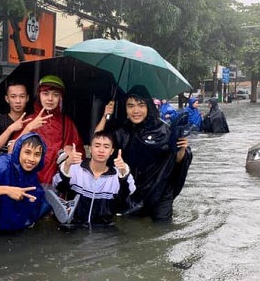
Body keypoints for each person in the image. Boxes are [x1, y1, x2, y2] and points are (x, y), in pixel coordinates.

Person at [95, 85, 192, 222]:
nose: (136, 110)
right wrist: (105, 116)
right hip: (133, 192)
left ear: (148, 107)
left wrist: (181, 149)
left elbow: (177, 162)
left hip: (160, 192)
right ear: (125, 109)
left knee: (162, 230)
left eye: (141, 105)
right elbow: (97, 142)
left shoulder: (164, 130)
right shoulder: (122, 132)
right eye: (130, 106)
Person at [49, 130, 136, 227]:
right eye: (97, 146)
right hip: (74, 226)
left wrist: (124, 173)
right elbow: (58, 186)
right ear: (90, 148)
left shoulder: (117, 175)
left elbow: (124, 202)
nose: (101, 150)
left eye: (106, 147)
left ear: (111, 151)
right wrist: (67, 164)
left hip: (104, 229)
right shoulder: (75, 169)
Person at [12, 75, 85, 185]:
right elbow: (12, 151)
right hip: (29, 183)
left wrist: (71, 153)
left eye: (55, 95)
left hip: (57, 183)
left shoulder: (67, 123)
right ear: (39, 95)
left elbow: (80, 154)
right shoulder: (28, 120)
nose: (50, 99)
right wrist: (29, 128)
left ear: (61, 98)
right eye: (45, 94)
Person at [0, 81, 32, 154]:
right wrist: (11, 128)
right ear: (7, 99)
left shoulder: (31, 121)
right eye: (13, 96)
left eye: (22, 96)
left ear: (27, 98)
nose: (18, 101)